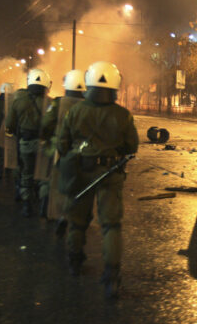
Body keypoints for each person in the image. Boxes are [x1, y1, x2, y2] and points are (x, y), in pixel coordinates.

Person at [58, 61, 138, 298]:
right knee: (111, 225)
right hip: (110, 174)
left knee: (77, 221)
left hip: (80, 172)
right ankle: (112, 277)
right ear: (115, 87)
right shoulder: (123, 115)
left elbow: (63, 144)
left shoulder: (75, 111)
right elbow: (132, 145)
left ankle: (74, 261)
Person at [37, 69, 86, 229]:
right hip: (82, 152)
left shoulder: (58, 103)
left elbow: (46, 124)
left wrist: (47, 138)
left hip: (60, 150)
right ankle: (72, 214)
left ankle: (49, 210)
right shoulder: (89, 106)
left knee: (52, 179)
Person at [5, 69, 51, 217]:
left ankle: (27, 205)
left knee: (27, 173)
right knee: (44, 173)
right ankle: (44, 205)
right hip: (44, 143)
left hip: (25, 143)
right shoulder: (50, 103)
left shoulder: (19, 101)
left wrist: (13, 133)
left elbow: (9, 124)